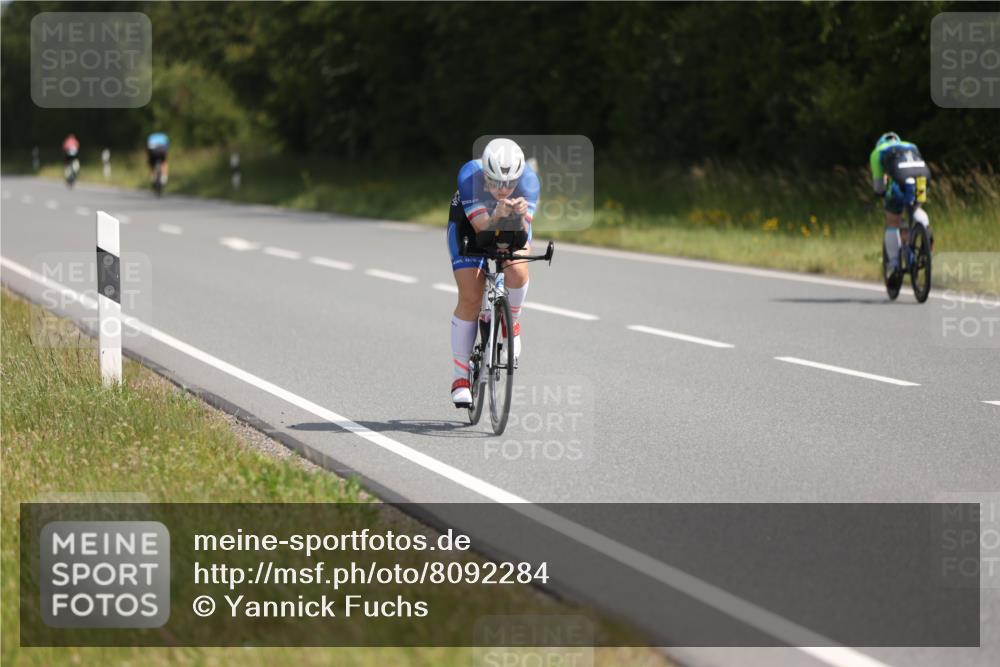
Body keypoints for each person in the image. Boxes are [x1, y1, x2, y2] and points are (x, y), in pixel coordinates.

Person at [447, 138, 539, 407]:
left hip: (510, 225)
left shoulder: (530, 182)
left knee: (518, 272)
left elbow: (520, 237)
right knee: (471, 296)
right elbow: (484, 235)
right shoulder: (469, 177)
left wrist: (518, 217)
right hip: (470, 228)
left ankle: (513, 322)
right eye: (496, 182)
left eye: (509, 184)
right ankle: (460, 376)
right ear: (485, 174)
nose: (503, 189)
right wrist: (498, 215)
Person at [869, 132, 932, 278]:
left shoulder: (877, 152)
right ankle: (925, 233)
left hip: (900, 181)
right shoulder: (911, 145)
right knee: (916, 207)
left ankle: (893, 264)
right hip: (922, 178)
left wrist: (881, 193)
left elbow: (878, 186)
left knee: (893, 221)